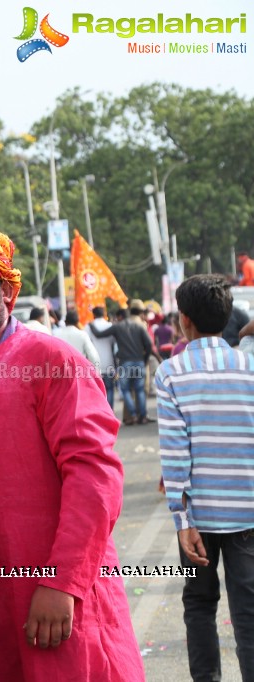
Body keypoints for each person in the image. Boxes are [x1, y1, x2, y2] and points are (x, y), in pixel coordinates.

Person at [0, 223, 143, 680]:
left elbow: (95, 479)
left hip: (59, 595)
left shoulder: (50, 360)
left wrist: (62, 583)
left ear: (5, 290)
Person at [156, 274, 254, 681]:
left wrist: (183, 522)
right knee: (249, 612)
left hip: (197, 518)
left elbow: (176, 456)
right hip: (248, 512)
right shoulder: (249, 365)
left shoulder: (171, 373)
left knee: (199, 604)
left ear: (184, 321)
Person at [89, 299, 154, 425]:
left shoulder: (117, 327)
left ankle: (133, 415)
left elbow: (98, 334)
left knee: (126, 390)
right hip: (139, 361)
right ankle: (143, 416)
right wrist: (144, 360)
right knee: (140, 390)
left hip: (125, 363)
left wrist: (91, 324)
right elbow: (149, 344)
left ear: (119, 317)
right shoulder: (138, 326)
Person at [87, 306, 117, 408]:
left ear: (93, 314)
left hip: (93, 365)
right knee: (110, 389)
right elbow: (114, 344)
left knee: (97, 391)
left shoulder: (88, 327)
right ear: (104, 314)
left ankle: (101, 413)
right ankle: (110, 412)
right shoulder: (109, 325)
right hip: (109, 363)